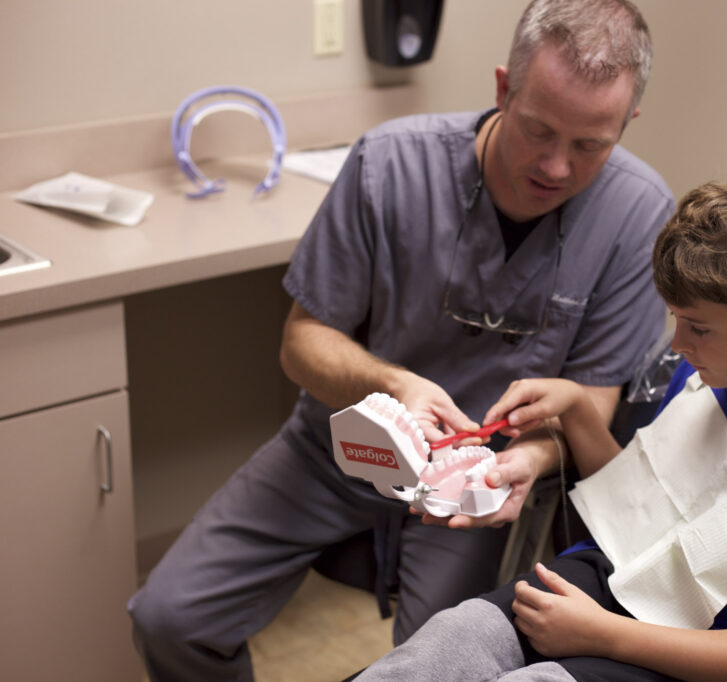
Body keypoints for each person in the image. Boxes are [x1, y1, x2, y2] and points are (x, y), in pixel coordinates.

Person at [127, 1, 675, 680]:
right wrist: (394, 385)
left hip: (476, 484)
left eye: (590, 144)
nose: (557, 167)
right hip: (343, 441)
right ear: (503, 88)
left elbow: (589, 404)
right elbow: (303, 342)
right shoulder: (390, 165)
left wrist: (531, 459)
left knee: (432, 668)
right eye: (538, 130)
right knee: (169, 618)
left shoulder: (637, 213)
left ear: (626, 125)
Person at [353, 167, 727, 682]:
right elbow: (643, 508)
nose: (678, 345)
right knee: (452, 638)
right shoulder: (704, 374)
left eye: (698, 327)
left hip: (703, 651)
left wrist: (602, 635)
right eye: (676, 320)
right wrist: (576, 409)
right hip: (614, 581)